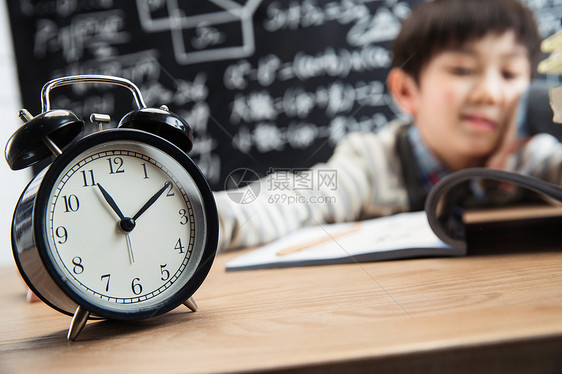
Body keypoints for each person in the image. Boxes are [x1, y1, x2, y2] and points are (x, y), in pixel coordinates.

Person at [215, 0, 562, 251]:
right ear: (407, 90)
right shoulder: (371, 163)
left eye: (510, 74)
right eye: (462, 70)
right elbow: (299, 198)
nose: (490, 93)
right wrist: (202, 215)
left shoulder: (535, 159)